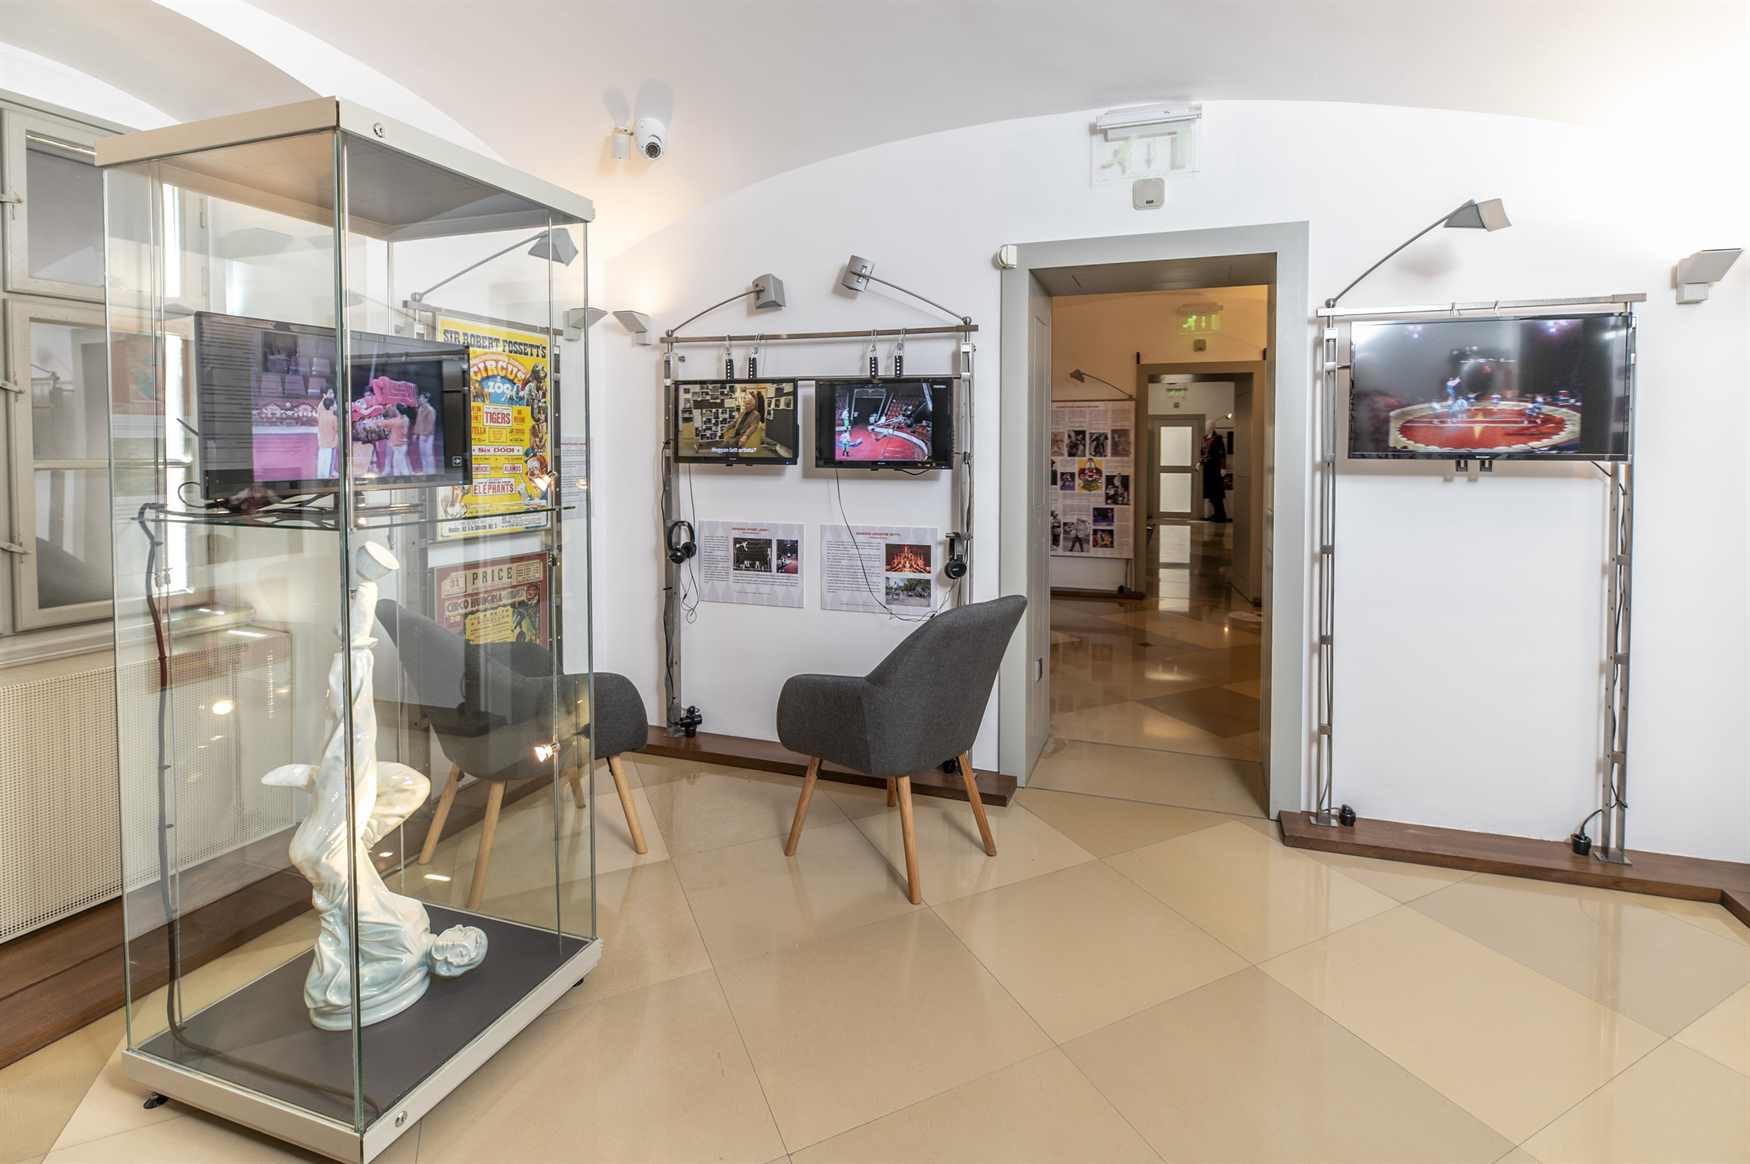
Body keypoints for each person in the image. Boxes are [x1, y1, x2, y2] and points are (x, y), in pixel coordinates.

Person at [1199, 430, 1229, 523]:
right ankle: (1217, 514)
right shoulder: (1205, 439)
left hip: (1215, 470)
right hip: (1208, 470)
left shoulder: (1218, 439)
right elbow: (1203, 454)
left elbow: (1222, 454)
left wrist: (1223, 467)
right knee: (1211, 494)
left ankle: (1220, 516)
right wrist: (1200, 463)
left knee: (1217, 494)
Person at [385, 403, 413, 477]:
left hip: (400, 444)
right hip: (398, 444)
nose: (394, 410)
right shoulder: (403, 418)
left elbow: (404, 431)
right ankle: (396, 477)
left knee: (402, 465)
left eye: (395, 409)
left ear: (398, 410)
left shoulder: (402, 420)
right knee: (396, 464)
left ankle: (407, 478)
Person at [315, 392, 339, 478]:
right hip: (331, 443)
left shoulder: (321, 414)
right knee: (329, 461)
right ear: (332, 407)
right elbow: (337, 429)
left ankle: (321, 474)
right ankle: (328, 476)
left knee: (322, 460)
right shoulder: (333, 417)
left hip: (322, 442)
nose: (336, 405)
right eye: (335, 404)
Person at [413, 392, 438, 473]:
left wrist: (426, 435)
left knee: (428, 454)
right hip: (421, 435)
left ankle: (431, 472)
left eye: (421, 398)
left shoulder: (431, 410)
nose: (419, 399)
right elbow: (418, 422)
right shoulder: (420, 409)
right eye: (419, 398)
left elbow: (431, 424)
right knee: (422, 454)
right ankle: (425, 470)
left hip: (428, 436)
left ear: (426, 399)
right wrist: (416, 433)